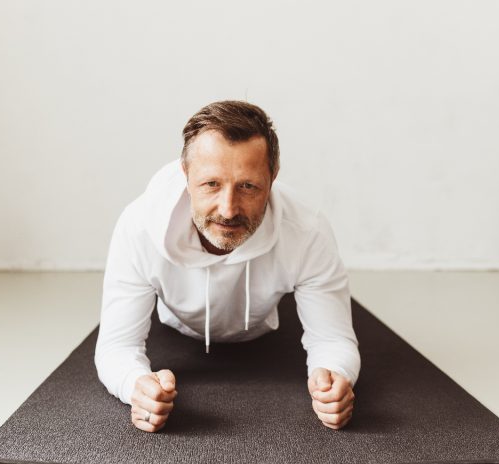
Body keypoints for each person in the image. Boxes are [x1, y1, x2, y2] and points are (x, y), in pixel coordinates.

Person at [95, 100, 360, 433]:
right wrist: (136, 387)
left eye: (248, 186)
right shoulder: (138, 227)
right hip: (174, 327)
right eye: (211, 184)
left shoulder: (307, 230)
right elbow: (117, 347)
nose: (229, 208)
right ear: (186, 175)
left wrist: (334, 377)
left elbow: (334, 339)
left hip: (264, 330)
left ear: (273, 176)